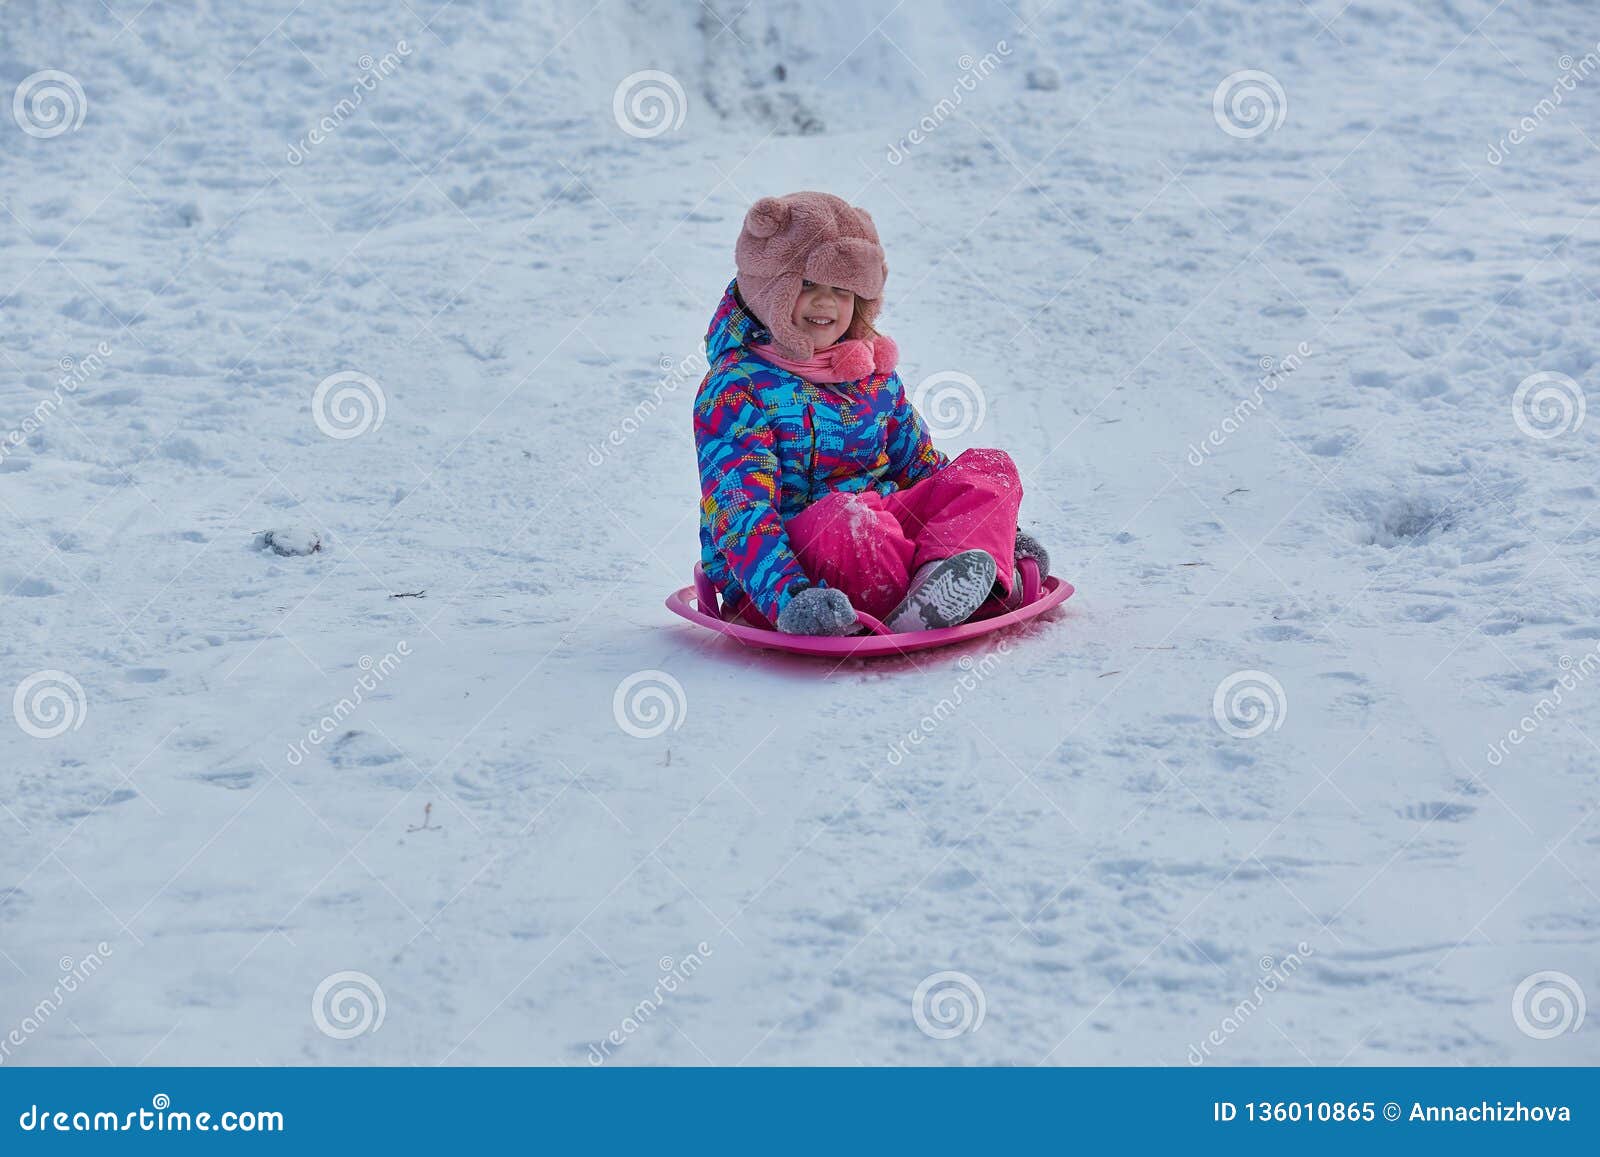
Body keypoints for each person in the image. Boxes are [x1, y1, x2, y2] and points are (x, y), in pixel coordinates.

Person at [693, 190, 1050, 636]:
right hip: (793, 568)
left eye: (841, 290)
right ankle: (934, 594)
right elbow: (741, 510)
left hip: (881, 533)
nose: (825, 305)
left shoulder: (870, 374)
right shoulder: (736, 387)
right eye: (806, 286)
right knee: (849, 519)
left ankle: (948, 578)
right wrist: (789, 598)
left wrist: (986, 530)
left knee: (989, 468)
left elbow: (920, 470)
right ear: (769, 287)